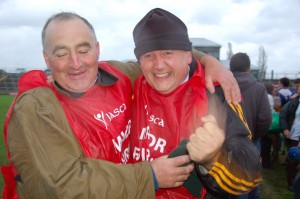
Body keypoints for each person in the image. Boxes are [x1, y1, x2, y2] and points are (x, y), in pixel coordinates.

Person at [0, 12, 241, 199]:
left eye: (83, 50)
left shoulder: (119, 74)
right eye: (61, 54)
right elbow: (63, 185)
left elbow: (162, 56)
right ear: (46, 58)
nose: (75, 64)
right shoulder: (35, 108)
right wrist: (150, 176)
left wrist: (209, 61)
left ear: (97, 50)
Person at [130, 8, 262, 199]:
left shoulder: (216, 93)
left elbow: (250, 174)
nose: (158, 65)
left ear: (189, 55)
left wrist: (215, 158)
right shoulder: (131, 86)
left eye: (168, 53)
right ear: (139, 61)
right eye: (148, 55)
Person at [229, 52, 272, 199]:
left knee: (228, 182)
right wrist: (255, 137)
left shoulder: (221, 85)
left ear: (230, 67)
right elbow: (265, 119)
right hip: (251, 141)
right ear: (248, 68)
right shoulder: (259, 88)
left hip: (226, 143)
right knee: (250, 181)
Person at [280, 80, 300, 192]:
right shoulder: (294, 102)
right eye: (297, 86)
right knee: (292, 161)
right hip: (293, 137)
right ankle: (291, 183)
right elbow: (283, 114)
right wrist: (285, 128)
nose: (297, 88)